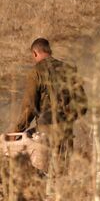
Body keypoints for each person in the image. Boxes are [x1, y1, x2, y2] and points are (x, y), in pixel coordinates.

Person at [9, 38, 85, 172]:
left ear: (35, 53)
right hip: (66, 130)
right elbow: (82, 104)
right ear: (49, 50)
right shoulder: (68, 69)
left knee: (45, 175)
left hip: (46, 132)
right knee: (63, 174)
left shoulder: (36, 72)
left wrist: (17, 130)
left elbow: (29, 108)